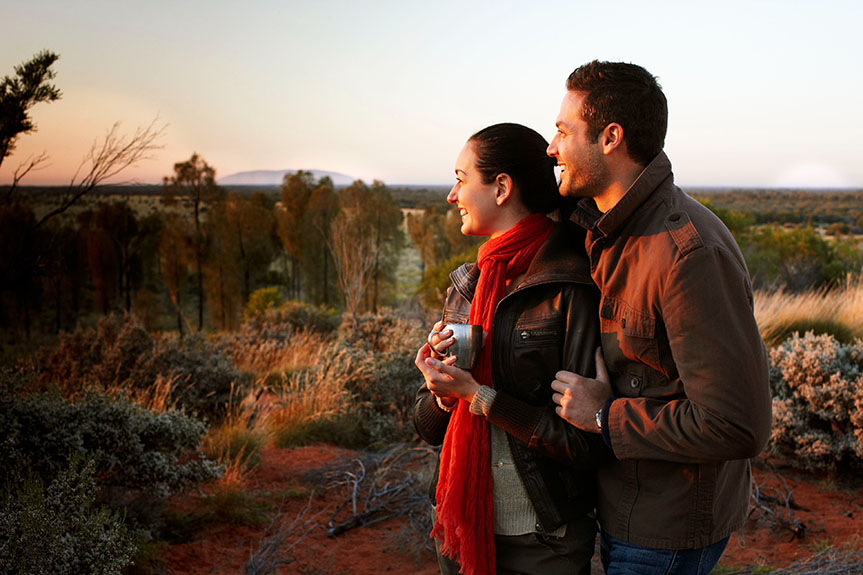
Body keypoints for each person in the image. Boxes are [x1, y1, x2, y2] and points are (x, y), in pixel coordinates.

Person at [547, 60, 773, 574]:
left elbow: (738, 424)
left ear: (610, 137)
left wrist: (604, 416)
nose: (551, 146)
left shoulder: (687, 254)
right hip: (618, 503)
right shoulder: (602, 229)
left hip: (664, 530)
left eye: (562, 131)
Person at [413, 122, 603, 575]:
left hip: (542, 540)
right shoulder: (467, 285)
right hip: (461, 528)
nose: (451, 195)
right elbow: (427, 425)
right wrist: (441, 392)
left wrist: (477, 397)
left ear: (501, 187)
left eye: (461, 179)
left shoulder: (568, 286)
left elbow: (583, 442)